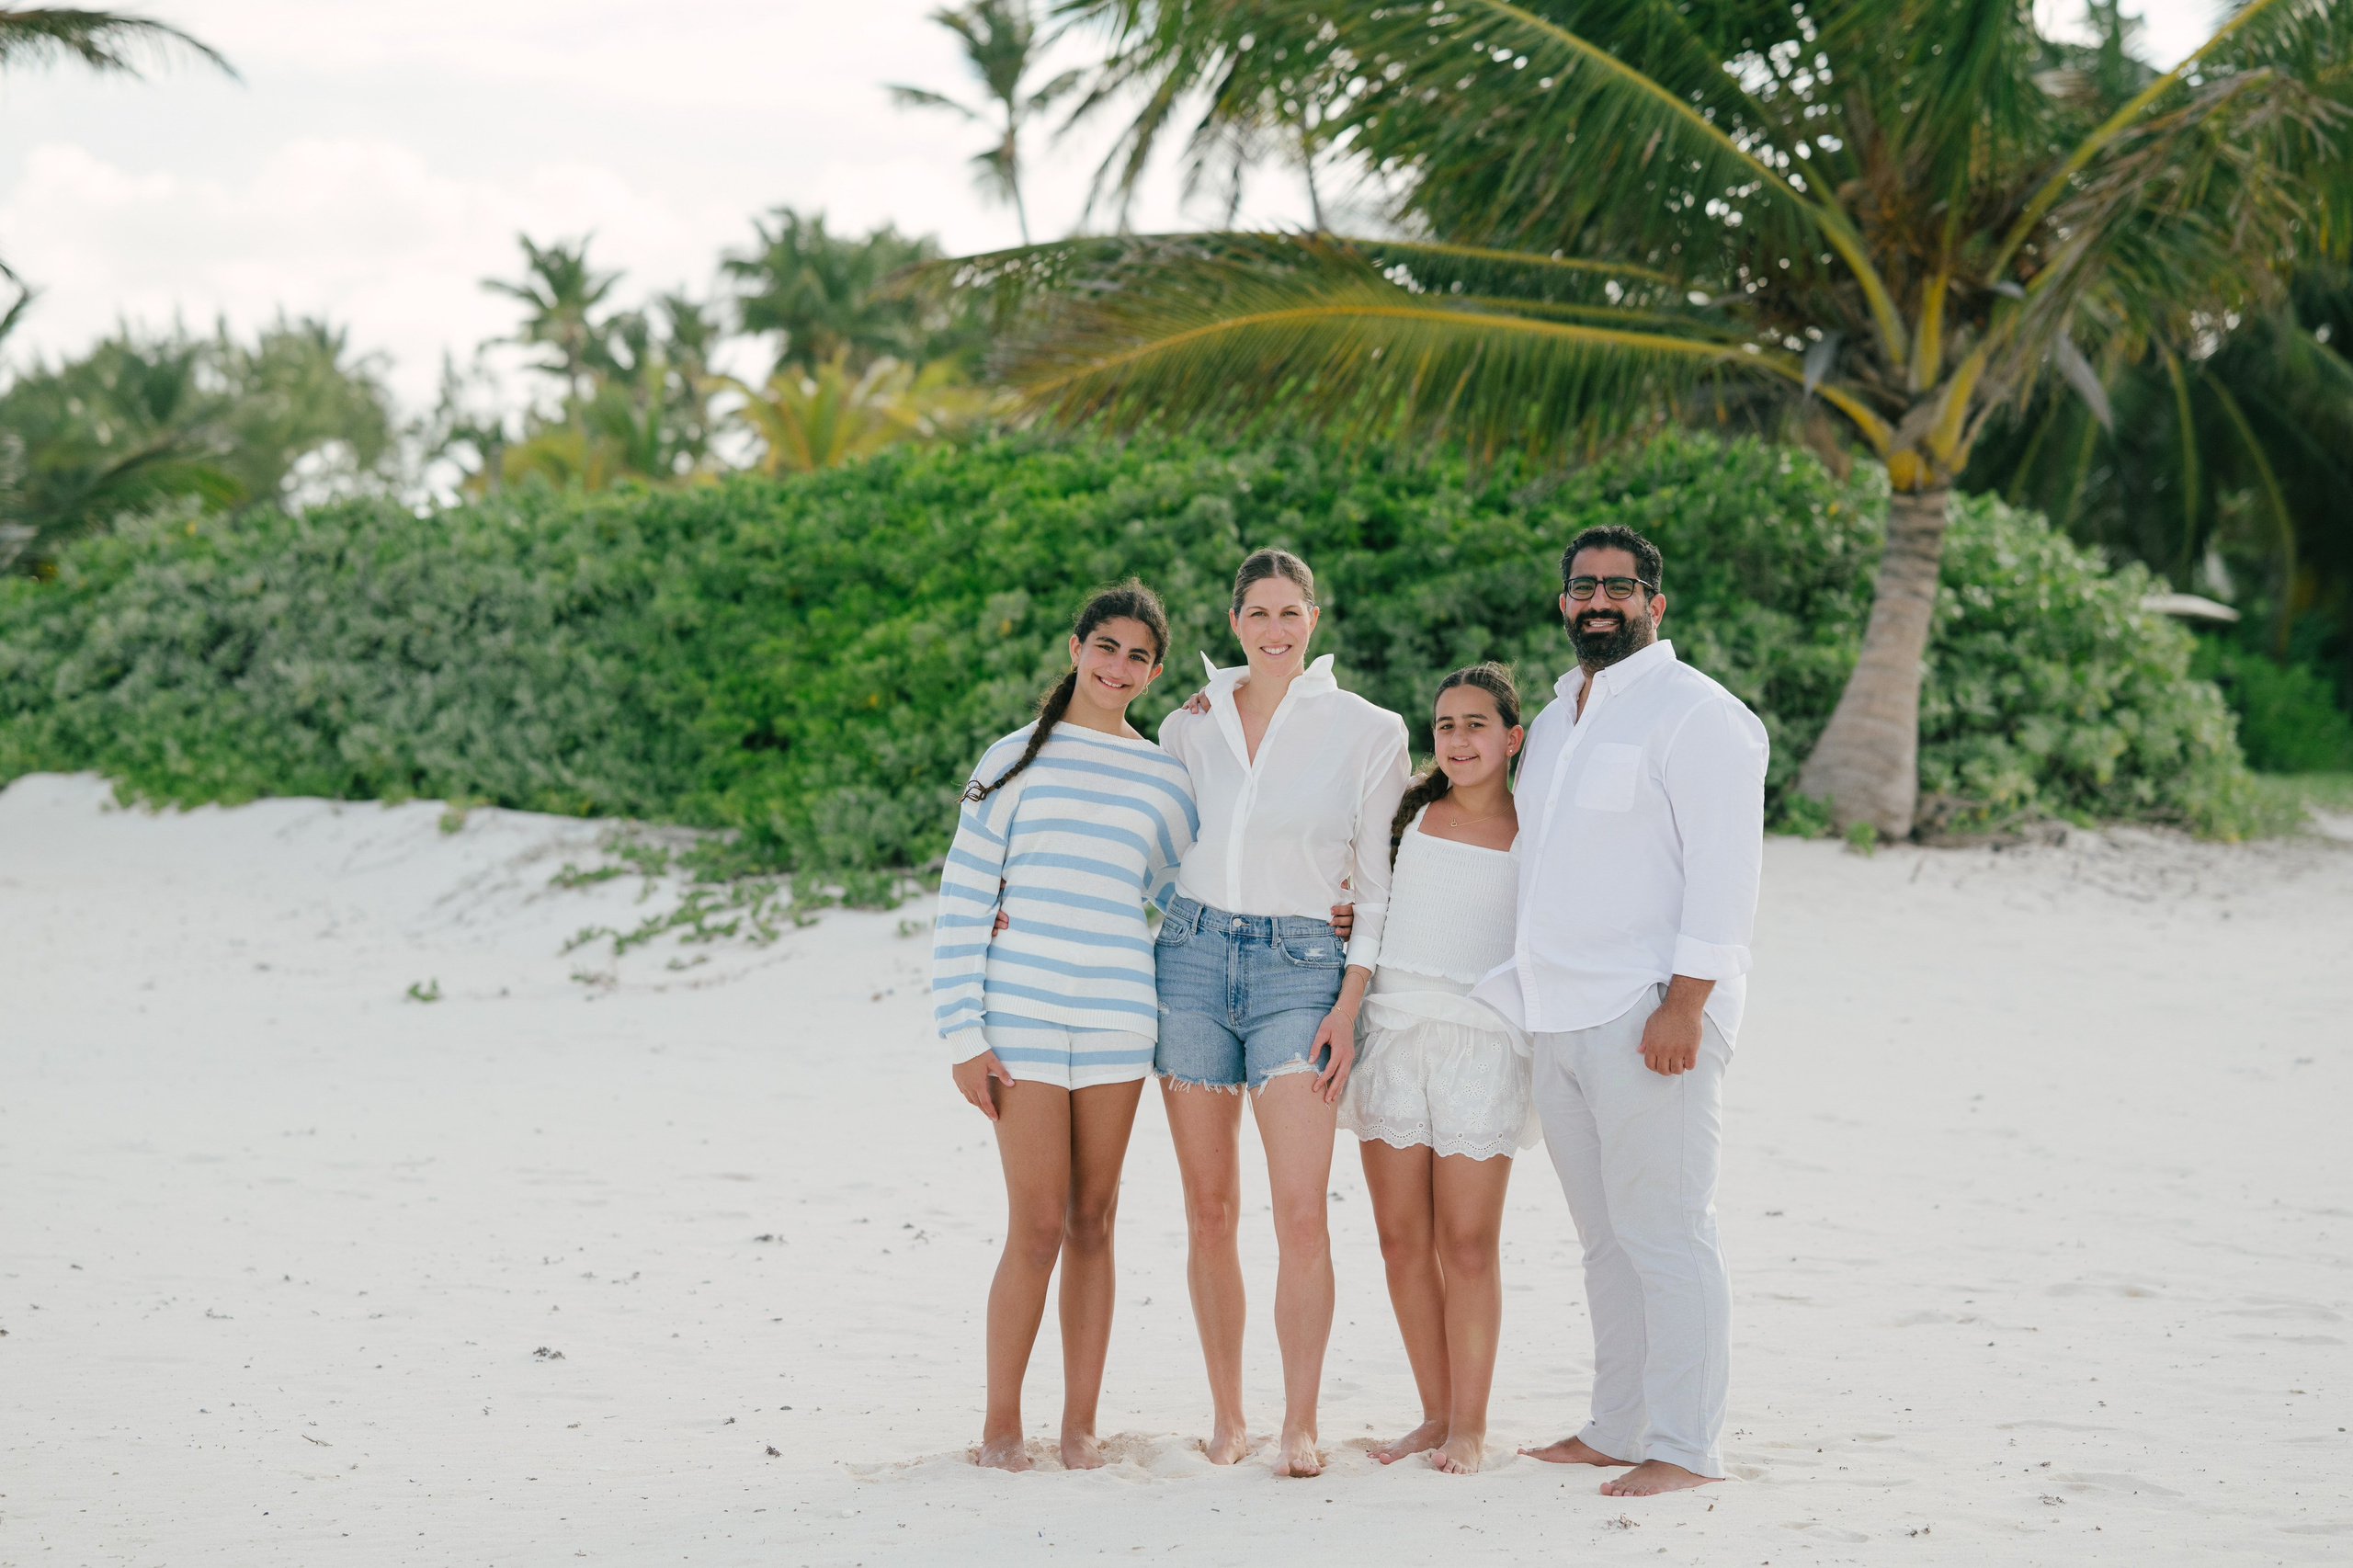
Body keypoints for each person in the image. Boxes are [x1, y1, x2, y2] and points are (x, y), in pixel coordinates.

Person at [1478, 524, 1768, 1497]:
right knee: (1606, 1239)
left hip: (1650, 1014)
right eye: (1581, 585)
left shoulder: (1699, 715)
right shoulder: (1558, 716)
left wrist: (1685, 1003)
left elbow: (1727, 877)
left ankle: (1685, 1447)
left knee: (1668, 1231)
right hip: (1556, 1011)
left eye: (1620, 584)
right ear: (1563, 600)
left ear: (1655, 599)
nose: (1598, 598)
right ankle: (1616, 1424)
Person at [1154, 547, 1411, 1479]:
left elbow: (1378, 881)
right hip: (1187, 959)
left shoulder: (1368, 729)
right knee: (1209, 1208)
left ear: (1314, 618)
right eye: (1256, 613)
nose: (1273, 629)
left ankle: (1300, 1421)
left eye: (1289, 612)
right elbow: (1150, 846)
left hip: (1303, 969)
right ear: (1233, 623)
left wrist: (1352, 995)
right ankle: (1229, 1414)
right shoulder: (1186, 726)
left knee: (1302, 1213)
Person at [930, 582, 1197, 1473]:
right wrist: (962, 1034)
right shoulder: (1009, 758)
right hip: (1021, 1014)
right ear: (1074, 646)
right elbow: (964, 895)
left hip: (1120, 1014)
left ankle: (1080, 1426)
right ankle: (1001, 1425)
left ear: (1154, 671)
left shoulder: (1164, 774)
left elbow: (1177, 890)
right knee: (1037, 1220)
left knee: (1094, 1219)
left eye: (1137, 656)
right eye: (1106, 647)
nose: (1118, 667)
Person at [1338, 663, 1538, 1476]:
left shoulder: (1539, 831)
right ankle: (1433, 1411)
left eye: (1476, 724)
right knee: (1399, 1240)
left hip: (1482, 1048)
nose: (1459, 739)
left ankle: (1471, 1426)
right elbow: (1362, 898)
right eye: (1446, 725)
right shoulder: (1406, 817)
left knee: (1467, 1245)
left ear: (1512, 737)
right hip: (1393, 1034)